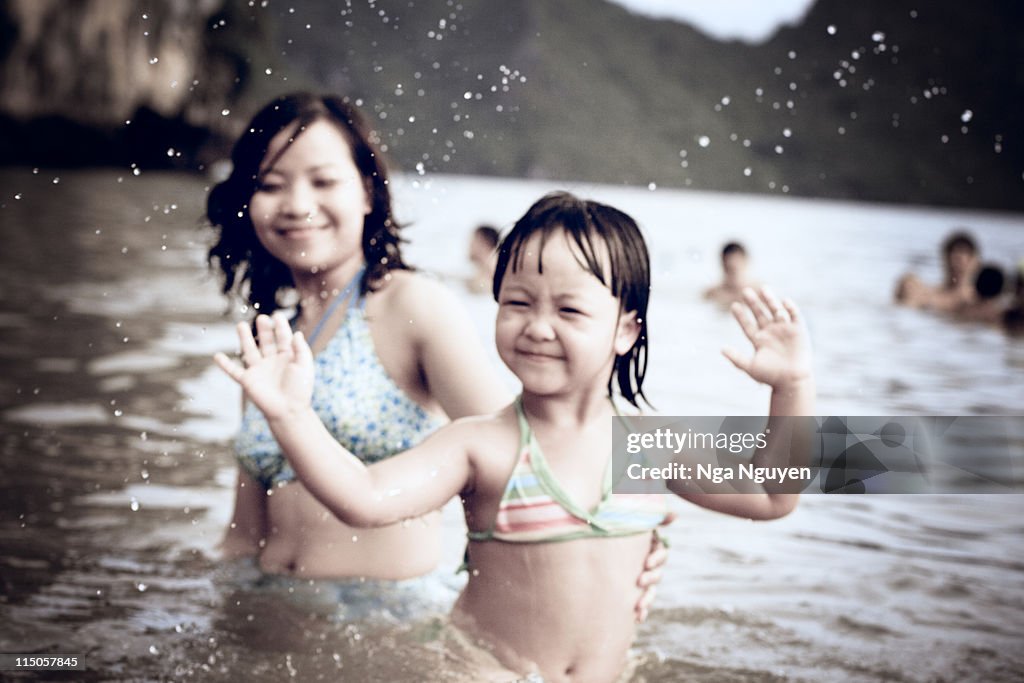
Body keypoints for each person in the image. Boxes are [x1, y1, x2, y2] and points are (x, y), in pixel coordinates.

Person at [215, 192, 815, 680]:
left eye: (570, 311)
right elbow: (366, 498)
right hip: (479, 672)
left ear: (626, 329)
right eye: (517, 303)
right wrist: (292, 414)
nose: (538, 327)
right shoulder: (482, 445)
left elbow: (772, 494)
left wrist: (790, 385)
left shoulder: (649, 443)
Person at [206, 94, 665, 619]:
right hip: (266, 611)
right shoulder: (273, 351)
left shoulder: (410, 305)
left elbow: (528, 450)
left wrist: (631, 533)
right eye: (270, 184)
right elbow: (243, 534)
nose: (295, 203)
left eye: (323, 180)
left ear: (367, 193)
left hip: (379, 623)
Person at [895, 230, 980, 311]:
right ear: (945, 259)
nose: (959, 263)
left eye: (966, 257)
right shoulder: (923, 291)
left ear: (976, 262)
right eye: (955, 257)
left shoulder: (976, 301)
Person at [704, 241, 754, 305]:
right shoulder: (712, 294)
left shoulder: (757, 292)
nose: (733, 275)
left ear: (746, 263)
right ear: (722, 265)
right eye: (728, 269)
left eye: (735, 269)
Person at [466, 224, 500, 294]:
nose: (469, 246)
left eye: (472, 241)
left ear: (483, 243)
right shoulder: (484, 268)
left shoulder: (493, 267)